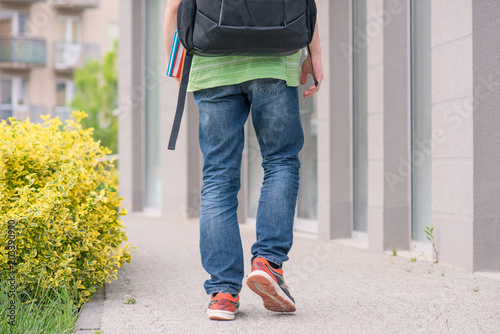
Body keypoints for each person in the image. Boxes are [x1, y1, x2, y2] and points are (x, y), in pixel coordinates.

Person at [164, 0, 323, 321]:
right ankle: (268, 262)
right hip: (274, 60)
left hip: (211, 64)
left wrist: (176, 64)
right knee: (280, 161)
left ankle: (223, 292)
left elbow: (174, 7)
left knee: (218, 177)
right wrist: (314, 54)